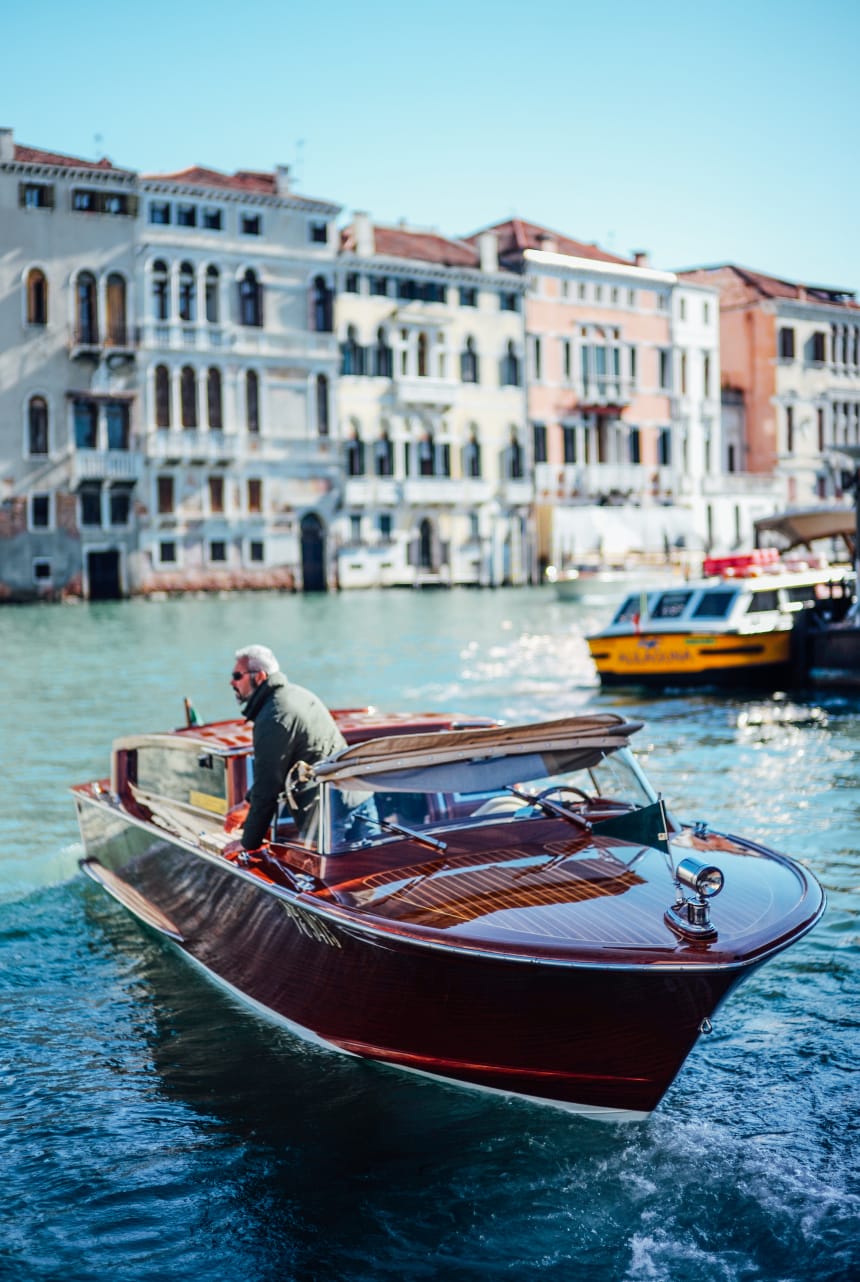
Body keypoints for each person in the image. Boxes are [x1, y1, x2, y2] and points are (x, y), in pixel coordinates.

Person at [229, 644, 350, 851]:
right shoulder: (297, 695)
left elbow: (268, 787)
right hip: (353, 798)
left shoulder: (273, 717)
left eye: (237, 675)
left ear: (259, 677)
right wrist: (248, 803)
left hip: (329, 814)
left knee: (336, 879)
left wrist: (247, 844)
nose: (232, 682)